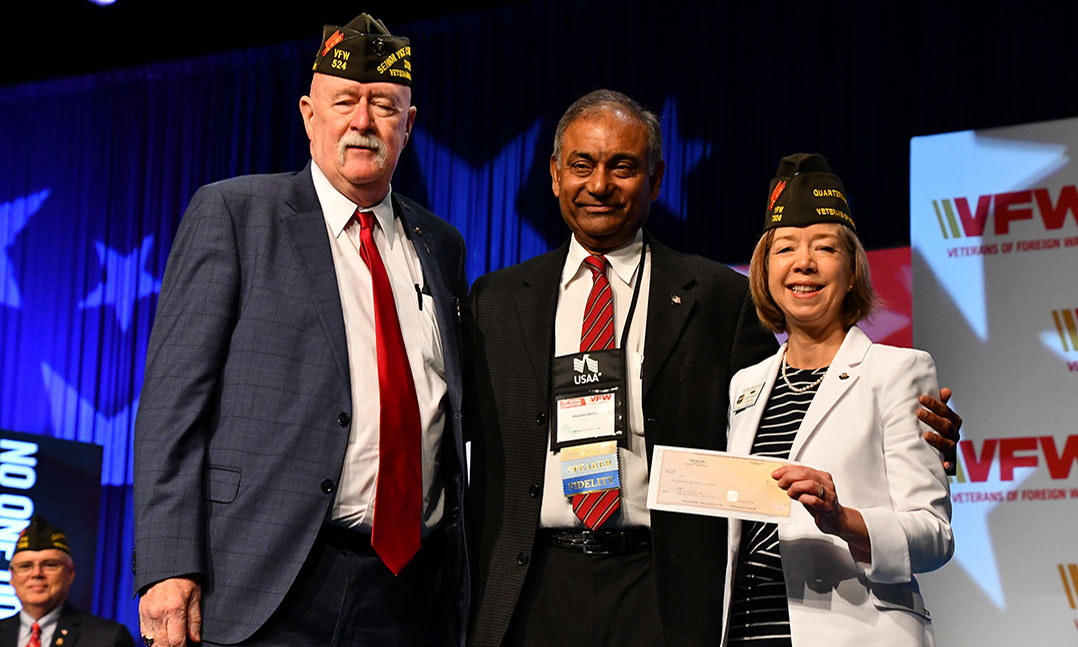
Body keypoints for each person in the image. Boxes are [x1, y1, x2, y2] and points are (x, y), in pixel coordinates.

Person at [464, 91, 961, 647]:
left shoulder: (720, 298)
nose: (600, 184)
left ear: (655, 180)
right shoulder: (496, 301)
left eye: (623, 167)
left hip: (664, 588)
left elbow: (790, 436)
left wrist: (927, 439)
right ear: (555, 175)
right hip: (534, 583)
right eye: (582, 165)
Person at [133, 13, 468, 647]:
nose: (363, 121)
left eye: (384, 106)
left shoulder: (441, 246)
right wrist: (167, 565)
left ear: (410, 123)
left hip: (408, 590)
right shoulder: (235, 213)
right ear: (310, 114)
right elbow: (172, 407)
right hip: (261, 575)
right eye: (345, 102)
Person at [721, 153, 953, 646]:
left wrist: (841, 519)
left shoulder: (899, 372)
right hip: (747, 630)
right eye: (785, 248)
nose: (803, 262)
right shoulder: (745, 384)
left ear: (851, 272)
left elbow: (935, 536)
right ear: (764, 271)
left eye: (824, 248)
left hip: (855, 631)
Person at [0, 516, 134, 647]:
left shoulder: (108, 638)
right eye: (25, 566)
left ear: (70, 573)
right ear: (11, 576)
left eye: (50, 565)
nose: (36, 574)